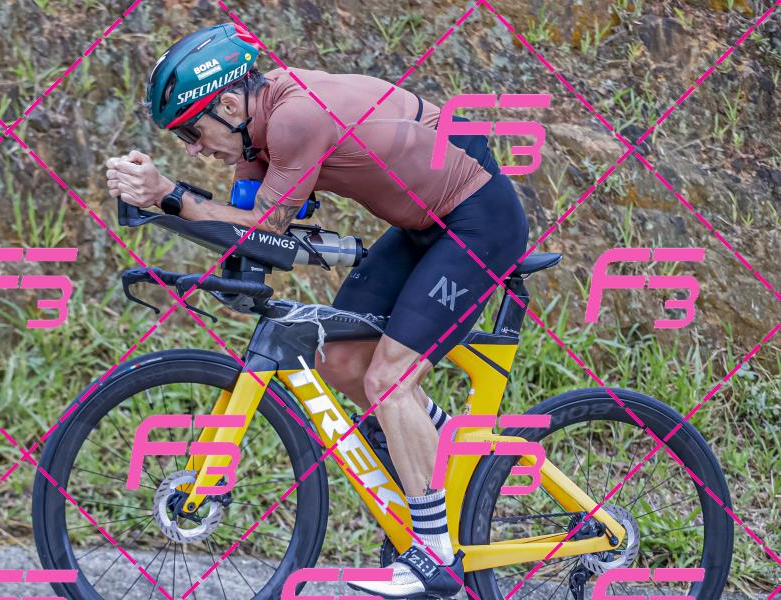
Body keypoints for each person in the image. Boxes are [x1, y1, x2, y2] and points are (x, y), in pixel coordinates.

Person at [106, 22, 529, 599]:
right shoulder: (257, 138)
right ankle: (442, 450)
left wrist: (168, 194)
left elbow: (264, 224)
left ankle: (435, 555)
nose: (194, 148)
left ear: (228, 104)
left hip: (479, 219)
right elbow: (250, 236)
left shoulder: (294, 118)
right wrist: (169, 220)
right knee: (340, 358)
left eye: (192, 131)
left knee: (389, 380)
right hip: (423, 227)